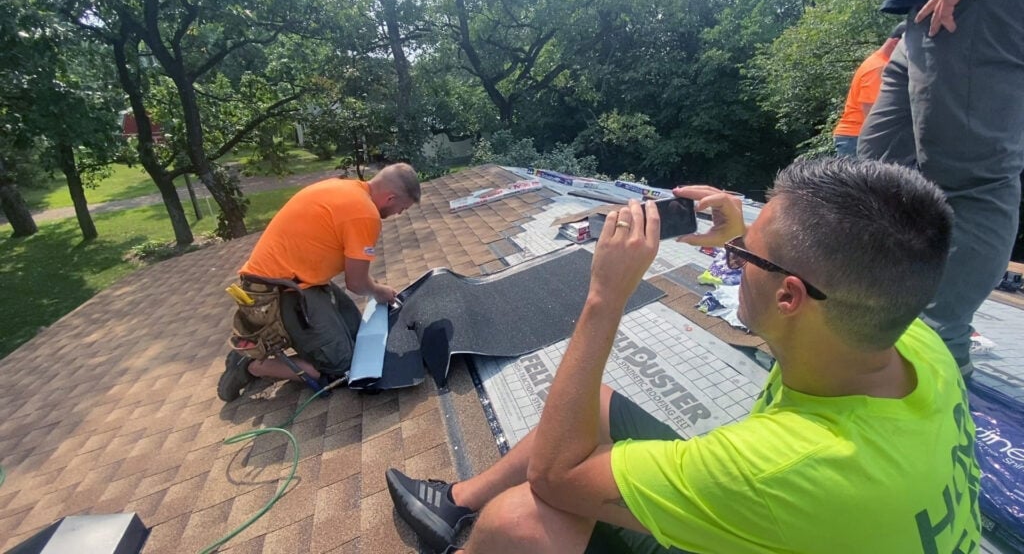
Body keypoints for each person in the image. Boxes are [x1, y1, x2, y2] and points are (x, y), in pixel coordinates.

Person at [386, 158, 981, 554]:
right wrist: (748, 240)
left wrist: (603, 295)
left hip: (785, 508)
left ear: (789, 295)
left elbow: (557, 478)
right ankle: (454, 505)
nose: (732, 256)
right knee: (590, 406)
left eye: (746, 253)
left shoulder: (781, 469)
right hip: (804, 519)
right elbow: (805, 295)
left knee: (521, 521)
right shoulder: (906, 339)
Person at [857, 0, 1024, 376]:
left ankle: (941, 351)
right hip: (923, 8)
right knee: (879, 163)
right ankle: (889, 309)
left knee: (972, 176)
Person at [217, 163, 420, 402]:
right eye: (401, 208)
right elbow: (355, 283)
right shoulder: (364, 213)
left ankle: (307, 346)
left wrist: (374, 287)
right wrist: (378, 290)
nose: (398, 213)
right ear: (391, 197)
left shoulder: (346, 189)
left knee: (360, 339)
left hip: (300, 282)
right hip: (278, 293)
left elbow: (353, 267)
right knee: (343, 369)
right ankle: (250, 364)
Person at [832, 22, 906, 157]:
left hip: (855, 137)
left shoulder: (879, 63)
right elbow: (872, 115)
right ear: (896, 44)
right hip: (856, 138)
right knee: (863, 179)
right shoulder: (878, 68)